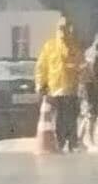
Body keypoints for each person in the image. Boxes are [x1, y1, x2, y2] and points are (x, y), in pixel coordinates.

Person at [35, 16, 83, 152]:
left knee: (71, 117)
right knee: (60, 117)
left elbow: (80, 65)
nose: (64, 30)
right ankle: (60, 142)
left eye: (66, 27)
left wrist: (81, 81)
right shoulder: (50, 46)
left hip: (71, 89)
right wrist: (40, 84)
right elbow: (41, 67)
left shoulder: (73, 47)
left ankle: (72, 143)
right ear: (57, 29)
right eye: (61, 27)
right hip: (55, 89)